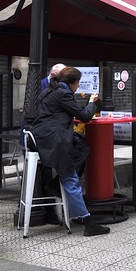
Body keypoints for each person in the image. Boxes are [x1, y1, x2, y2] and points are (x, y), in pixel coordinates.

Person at [30, 67, 109, 236]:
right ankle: (88, 222)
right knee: (71, 179)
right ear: (71, 82)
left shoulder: (50, 91)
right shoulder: (63, 93)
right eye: (78, 82)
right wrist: (92, 103)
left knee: (81, 147)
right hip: (53, 140)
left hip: (42, 137)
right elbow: (84, 116)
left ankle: (56, 186)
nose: (79, 86)